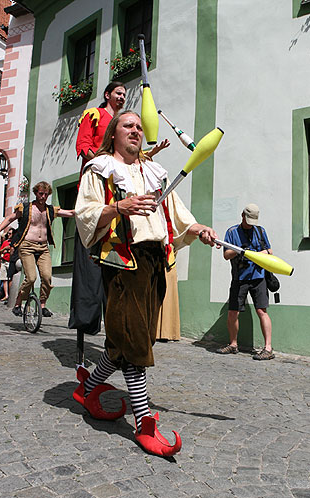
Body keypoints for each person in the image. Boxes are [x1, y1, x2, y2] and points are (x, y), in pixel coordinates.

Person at [73, 111, 218, 457]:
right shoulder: (100, 168)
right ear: (113, 135)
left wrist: (199, 229)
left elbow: (174, 211)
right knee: (135, 337)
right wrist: (117, 207)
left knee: (128, 338)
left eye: (139, 126)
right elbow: (84, 214)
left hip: (156, 260)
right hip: (123, 260)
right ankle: (143, 422)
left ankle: (88, 389)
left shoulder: (155, 172)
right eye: (128, 125)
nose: (136, 130)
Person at [70, 81, 169, 337]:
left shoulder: (132, 134)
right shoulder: (94, 115)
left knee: (140, 329)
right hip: (104, 196)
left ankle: (103, 368)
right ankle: (89, 322)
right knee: (129, 332)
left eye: (125, 94)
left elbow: (132, 156)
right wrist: (106, 169)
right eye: (118, 93)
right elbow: (84, 146)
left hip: (145, 245)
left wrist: (146, 155)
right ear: (107, 95)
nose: (122, 97)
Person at [0, 182, 75, 317]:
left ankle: (42, 306)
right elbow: (9, 218)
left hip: (43, 247)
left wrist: (91, 210)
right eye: (41, 194)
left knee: (47, 277)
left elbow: (71, 213)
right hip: (27, 246)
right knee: (30, 278)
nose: (43, 197)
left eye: (46, 194)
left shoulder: (50, 210)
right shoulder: (25, 208)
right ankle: (18, 303)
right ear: (36, 193)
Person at [218, 204, 275, 360]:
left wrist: (263, 253)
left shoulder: (260, 231)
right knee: (232, 312)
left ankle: (268, 348)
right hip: (239, 278)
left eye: (252, 221)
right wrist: (241, 251)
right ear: (242, 215)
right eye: (248, 220)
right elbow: (226, 254)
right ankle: (233, 344)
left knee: (262, 311)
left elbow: (270, 251)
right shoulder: (232, 232)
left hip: (258, 277)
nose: (250, 224)